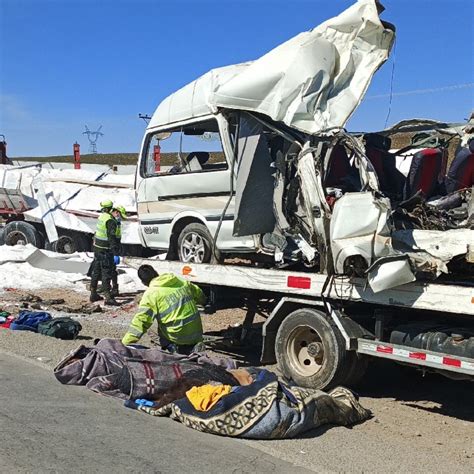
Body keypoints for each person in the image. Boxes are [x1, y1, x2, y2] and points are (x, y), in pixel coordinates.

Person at [122, 264, 206, 354]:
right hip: (197, 333)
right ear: (156, 273)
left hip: (179, 337)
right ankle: (194, 346)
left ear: (143, 282)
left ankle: (173, 348)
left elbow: (140, 322)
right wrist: (204, 301)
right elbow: (199, 293)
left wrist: (124, 344)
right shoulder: (178, 281)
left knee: (153, 328)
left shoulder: (151, 294)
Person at [89, 199, 120, 305]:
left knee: (96, 270)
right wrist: (115, 253)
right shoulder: (110, 220)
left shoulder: (102, 216)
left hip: (97, 248)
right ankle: (108, 297)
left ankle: (93, 293)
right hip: (105, 250)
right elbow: (111, 238)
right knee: (106, 272)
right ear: (110, 208)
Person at [109, 205, 127, 297]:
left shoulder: (117, 223)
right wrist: (115, 253)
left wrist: (118, 250)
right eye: (120, 215)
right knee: (109, 270)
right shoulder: (111, 222)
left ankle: (114, 288)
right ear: (116, 212)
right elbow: (111, 239)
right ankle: (110, 288)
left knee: (112, 270)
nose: (120, 218)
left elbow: (117, 238)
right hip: (109, 249)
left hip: (114, 248)